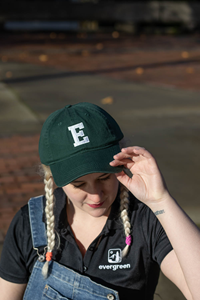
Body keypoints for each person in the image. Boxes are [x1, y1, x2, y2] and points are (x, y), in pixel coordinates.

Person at [0, 102, 200, 300]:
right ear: (52, 178)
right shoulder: (30, 223)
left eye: (104, 178)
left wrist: (160, 200)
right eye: (79, 184)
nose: (96, 195)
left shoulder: (143, 218)